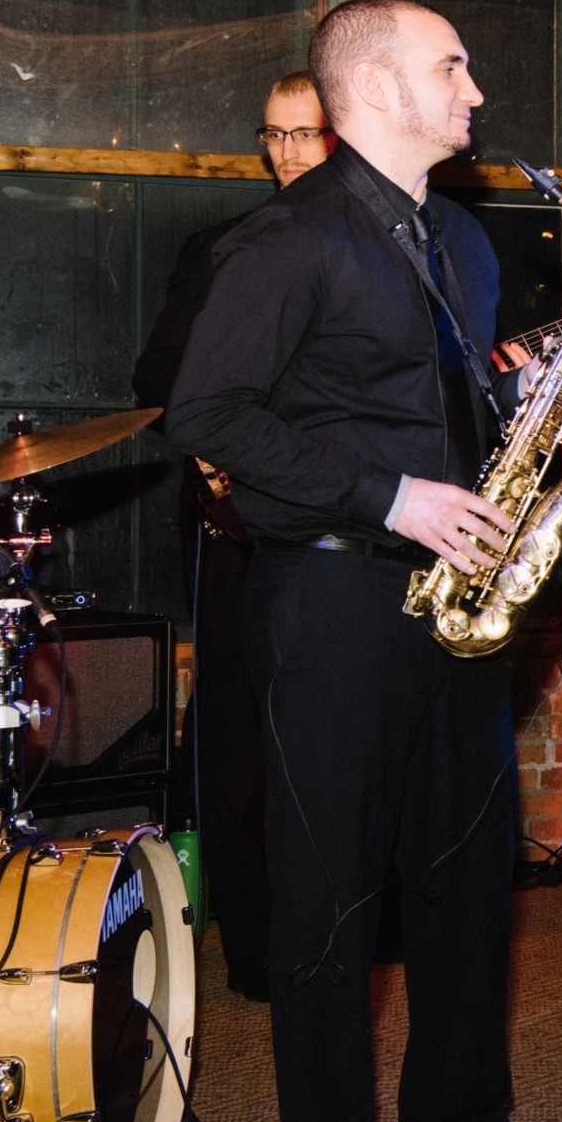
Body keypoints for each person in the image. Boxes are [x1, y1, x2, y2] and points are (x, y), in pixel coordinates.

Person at [165, 0, 562, 1122]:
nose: (475, 91)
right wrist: (392, 492)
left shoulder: (460, 240)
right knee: (329, 908)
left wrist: (537, 415)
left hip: (456, 604)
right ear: (370, 88)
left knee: (469, 881)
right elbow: (209, 417)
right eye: (452, 66)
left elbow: (448, 412)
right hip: (333, 599)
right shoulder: (282, 242)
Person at [132, 70, 333, 1004]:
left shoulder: (370, 247)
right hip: (233, 526)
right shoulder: (218, 248)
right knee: (240, 744)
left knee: (338, 733)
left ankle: (355, 929)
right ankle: (253, 951)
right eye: (276, 134)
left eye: (308, 134)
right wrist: (214, 451)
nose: (289, 152)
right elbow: (159, 374)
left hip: (337, 523)